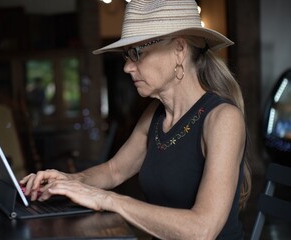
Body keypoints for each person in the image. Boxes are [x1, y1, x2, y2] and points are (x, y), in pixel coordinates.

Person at [20, 0, 252, 239]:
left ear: (179, 50)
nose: (127, 67)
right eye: (127, 55)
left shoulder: (223, 119)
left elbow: (202, 230)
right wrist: (69, 180)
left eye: (137, 53)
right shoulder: (155, 113)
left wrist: (107, 199)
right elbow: (114, 170)